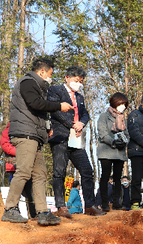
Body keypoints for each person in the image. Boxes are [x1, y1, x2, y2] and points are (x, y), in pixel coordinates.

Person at [2, 58, 73, 226]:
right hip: (25, 135)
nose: (50, 77)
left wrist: (45, 129)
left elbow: (36, 110)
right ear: (42, 72)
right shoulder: (27, 82)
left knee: (40, 175)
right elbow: (35, 103)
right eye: (50, 74)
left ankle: (42, 212)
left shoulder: (37, 87)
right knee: (24, 172)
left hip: (35, 136)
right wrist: (58, 106)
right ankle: (10, 209)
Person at [47, 65, 105, 218]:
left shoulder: (80, 96)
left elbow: (85, 114)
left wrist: (82, 123)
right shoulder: (55, 90)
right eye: (76, 80)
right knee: (59, 171)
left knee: (87, 170)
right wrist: (72, 123)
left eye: (81, 81)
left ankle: (90, 205)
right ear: (67, 78)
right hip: (60, 136)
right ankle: (61, 206)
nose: (79, 84)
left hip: (76, 139)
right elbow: (55, 110)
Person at [96, 92, 129, 211]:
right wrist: (113, 142)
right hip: (106, 151)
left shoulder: (122, 119)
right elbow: (102, 133)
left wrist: (124, 142)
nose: (123, 107)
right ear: (115, 103)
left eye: (125, 105)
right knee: (105, 177)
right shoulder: (104, 116)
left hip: (119, 153)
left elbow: (127, 135)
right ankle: (104, 203)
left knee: (117, 178)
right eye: (121, 104)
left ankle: (117, 203)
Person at [0, 122, 36, 218]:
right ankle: (14, 212)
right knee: (15, 190)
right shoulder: (7, 130)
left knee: (31, 192)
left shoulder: (26, 129)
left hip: (27, 165)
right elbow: (5, 145)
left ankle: (34, 214)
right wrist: (20, 152)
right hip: (13, 166)